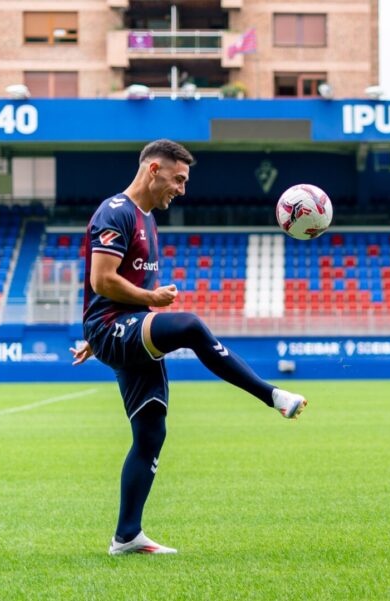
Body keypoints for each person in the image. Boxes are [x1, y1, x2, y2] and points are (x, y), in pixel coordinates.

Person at [69, 139, 306, 556]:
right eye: (179, 179)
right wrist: (146, 303)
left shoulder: (147, 220)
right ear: (154, 169)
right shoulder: (116, 211)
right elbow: (101, 281)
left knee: (151, 432)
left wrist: (101, 333)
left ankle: (126, 536)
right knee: (191, 326)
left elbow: (116, 288)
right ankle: (272, 394)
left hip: (119, 329)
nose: (182, 189)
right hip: (114, 327)